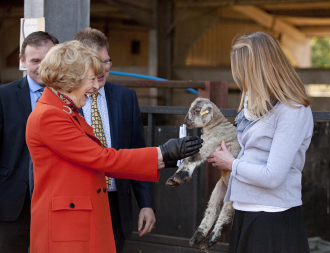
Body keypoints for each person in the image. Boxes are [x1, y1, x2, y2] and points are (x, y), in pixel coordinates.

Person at [25, 40, 202, 253]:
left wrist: (166, 159)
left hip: (76, 225)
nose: (96, 86)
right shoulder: (50, 116)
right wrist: (161, 152)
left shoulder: (63, 110)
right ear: (71, 78)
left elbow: (104, 162)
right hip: (68, 230)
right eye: (91, 79)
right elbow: (102, 158)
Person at [207, 31, 313, 253]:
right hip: (246, 212)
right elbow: (254, 155)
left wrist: (232, 164)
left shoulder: (292, 111)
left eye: (244, 72)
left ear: (259, 69)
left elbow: (273, 176)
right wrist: (230, 155)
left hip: (272, 219)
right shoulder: (255, 106)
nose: (242, 78)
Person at [73, 28, 155, 252]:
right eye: (96, 62)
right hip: (79, 204)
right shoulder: (66, 101)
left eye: (106, 61)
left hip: (116, 203)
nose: (103, 69)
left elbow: (137, 151)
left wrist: (146, 204)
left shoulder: (125, 97)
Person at [0, 31, 58, 253]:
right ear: (22, 62)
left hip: (57, 202)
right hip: (12, 203)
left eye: (48, 59)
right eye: (35, 60)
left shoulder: (73, 97)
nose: (42, 67)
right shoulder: (4, 96)